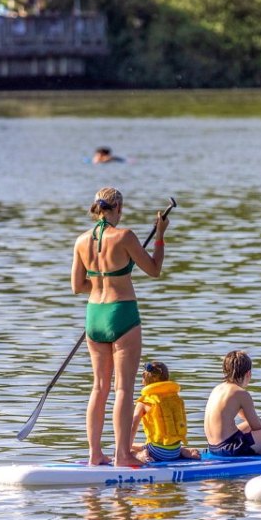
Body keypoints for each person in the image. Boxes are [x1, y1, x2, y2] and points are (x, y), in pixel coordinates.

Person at [71, 187, 169, 467]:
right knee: (122, 389)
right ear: (118, 209)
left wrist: (103, 280)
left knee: (99, 387)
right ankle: (122, 455)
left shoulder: (80, 241)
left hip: (94, 315)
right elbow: (153, 269)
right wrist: (160, 235)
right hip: (122, 312)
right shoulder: (125, 236)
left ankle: (94, 454)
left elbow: (77, 286)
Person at [204, 350, 261, 457]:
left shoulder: (217, 389)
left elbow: (251, 421)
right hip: (229, 448)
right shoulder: (241, 393)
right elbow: (256, 427)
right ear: (248, 374)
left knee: (253, 423)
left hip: (213, 447)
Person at [131, 361, 201, 463]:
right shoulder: (175, 398)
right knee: (150, 444)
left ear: (145, 380)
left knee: (128, 449)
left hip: (157, 452)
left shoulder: (144, 402)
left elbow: (133, 428)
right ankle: (183, 450)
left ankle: (141, 455)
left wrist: (125, 449)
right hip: (175, 450)